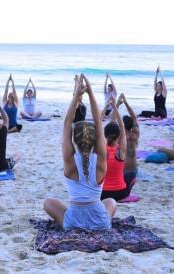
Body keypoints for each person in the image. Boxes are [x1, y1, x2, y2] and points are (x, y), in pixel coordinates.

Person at [43, 74, 116, 230]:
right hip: (100, 223)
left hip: (73, 223)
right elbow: (98, 121)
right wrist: (90, 94)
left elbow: (67, 124)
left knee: (48, 202)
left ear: (74, 140)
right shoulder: (101, 161)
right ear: (96, 140)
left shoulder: (70, 161)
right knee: (110, 202)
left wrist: (77, 96)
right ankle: (102, 221)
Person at [100, 96, 133, 201]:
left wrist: (107, 106)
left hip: (103, 194)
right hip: (120, 193)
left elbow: (98, 123)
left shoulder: (101, 150)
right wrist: (115, 107)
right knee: (131, 175)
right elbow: (122, 127)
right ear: (119, 136)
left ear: (104, 135)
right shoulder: (121, 150)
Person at [117, 93, 140, 191]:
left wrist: (117, 104)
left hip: (124, 172)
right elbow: (134, 117)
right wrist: (125, 102)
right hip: (134, 171)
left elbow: (112, 119)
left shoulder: (120, 137)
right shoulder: (135, 135)